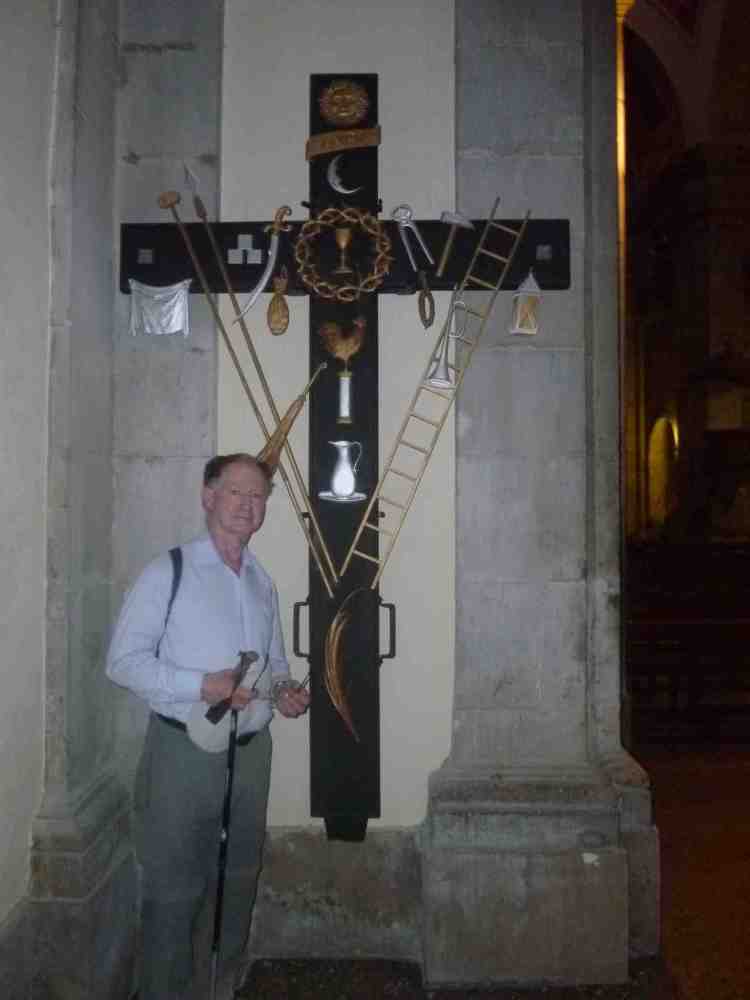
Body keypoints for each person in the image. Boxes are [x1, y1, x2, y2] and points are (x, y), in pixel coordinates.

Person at [106, 453, 310, 1000]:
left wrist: (283, 694)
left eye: (259, 496)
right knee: (174, 890)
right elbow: (122, 662)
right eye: (237, 492)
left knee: (236, 882)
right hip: (184, 755)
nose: (249, 505)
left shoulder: (262, 582)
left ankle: (218, 989)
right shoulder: (167, 571)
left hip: (251, 754)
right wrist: (203, 684)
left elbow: (272, 668)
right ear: (208, 496)